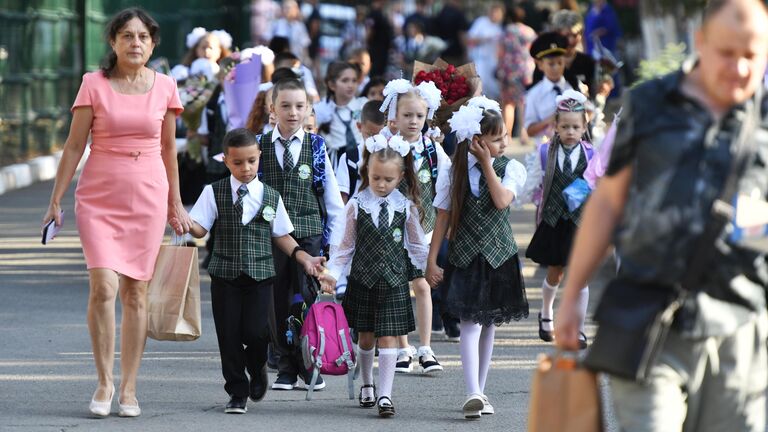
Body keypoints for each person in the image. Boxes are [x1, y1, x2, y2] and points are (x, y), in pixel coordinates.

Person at [555, 1, 768, 431]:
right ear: (700, 42)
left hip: (740, 326)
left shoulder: (763, 116)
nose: (740, 68)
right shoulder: (650, 105)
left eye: (752, 55)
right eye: (727, 53)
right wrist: (571, 293)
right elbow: (608, 202)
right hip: (648, 319)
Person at [41, 8, 191, 418]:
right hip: (99, 197)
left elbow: (168, 152)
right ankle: (104, 381)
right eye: (127, 36)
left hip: (147, 196)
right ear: (113, 42)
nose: (135, 43)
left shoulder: (165, 86)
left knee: (136, 293)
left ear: (153, 43)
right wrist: (55, 199)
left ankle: (129, 387)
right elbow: (74, 146)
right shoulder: (94, 84)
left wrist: (174, 204)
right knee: (104, 287)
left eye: (143, 37)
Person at [184, 128, 325, 414]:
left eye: (251, 161)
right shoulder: (214, 192)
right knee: (229, 336)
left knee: (257, 332)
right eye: (238, 163)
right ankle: (237, 391)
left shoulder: (270, 196)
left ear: (259, 156)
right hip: (225, 276)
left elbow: (282, 235)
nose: (245, 168)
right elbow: (200, 227)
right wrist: (181, 220)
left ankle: (257, 366)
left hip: (261, 276)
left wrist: (305, 258)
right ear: (226, 161)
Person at [426, 104, 528, 419]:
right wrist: (432, 260)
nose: (504, 144)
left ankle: (480, 391)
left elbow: (500, 201)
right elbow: (442, 216)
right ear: (476, 140)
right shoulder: (452, 169)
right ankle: (472, 392)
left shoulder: (510, 168)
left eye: (505, 137)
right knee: (470, 323)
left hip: (499, 255)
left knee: (488, 325)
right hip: (466, 255)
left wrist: (487, 164)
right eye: (496, 139)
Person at [320, 136, 429, 417]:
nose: (381, 184)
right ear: (367, 172)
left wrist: (430, 268)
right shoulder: (357, 205)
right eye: (376, 177)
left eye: (389, 179)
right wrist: (332, 273)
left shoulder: (405, 207)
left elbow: (416, 244)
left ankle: (385, 395)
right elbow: (344, 247)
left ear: (401, 176)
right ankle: (367, 383)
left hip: (393, 280)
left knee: (390, 338)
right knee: (366, 338)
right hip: (363, 280)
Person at [257, 78, 345, 392]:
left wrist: (334, 244)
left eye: (299, 106)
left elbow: (332, 199)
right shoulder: (258, 146)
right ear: (272, 110)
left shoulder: (317, 146)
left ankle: (310, 364)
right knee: (277, 300)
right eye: (285, 106)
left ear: (308, 109)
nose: (292, 113)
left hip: (309, 235)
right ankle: (284, 365)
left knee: (307, 300)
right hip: (271, 237)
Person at [378, 80, 450, 374]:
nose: (413, 121)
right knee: (398, 286)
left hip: (425, 226)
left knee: (422, 284)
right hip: (394, 228)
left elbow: (445, 184)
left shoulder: (432, 149)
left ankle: (426, 347)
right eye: (407, 115)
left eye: (419, 116)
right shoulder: (387, 147)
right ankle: (403, 348)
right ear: (394, 116)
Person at [522, 89, 593, 348]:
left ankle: (580, 328)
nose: (571, 131)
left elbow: (598, 183)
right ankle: (547, 311)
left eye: (576, 126)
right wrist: (529, 194)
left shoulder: (591, 155)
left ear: (584, 126)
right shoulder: (545, 153)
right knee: (555, 271)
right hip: (554, 220)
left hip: (580, 222)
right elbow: (534, 182)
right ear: (556, 126)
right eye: (565, 126)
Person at [496, 4, 537, 144]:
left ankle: (506, 135)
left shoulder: (506, 31)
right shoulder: (529, 32)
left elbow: (500, 52)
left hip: (508, 71)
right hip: (526, 70)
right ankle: (523, 134)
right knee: (524, 103)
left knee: (509, 104)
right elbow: (533, 51)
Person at [315, 61, 367, 167]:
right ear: (332, 85)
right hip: (335, 163)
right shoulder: (320, 109)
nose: (350, 85)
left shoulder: (363, 105)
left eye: (354, 80)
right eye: (345, 80)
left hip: (361, 160)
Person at [524, 32, 572, 145]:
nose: (556, 67)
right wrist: (550, 120)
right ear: (540, 65)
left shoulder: (572, 88)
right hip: (545, 150)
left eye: (560, 63)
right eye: (551, 64)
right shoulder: (534, 94)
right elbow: (529, 130)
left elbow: (589, 112)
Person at [336, 100, 388, 203]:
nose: (375, 140)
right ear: (359, 127)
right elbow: (342, 199)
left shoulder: (393, 157)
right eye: (370, 135)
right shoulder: (349, 159)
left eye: (381, 135)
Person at [466, 2, 506, 100]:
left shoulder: (500, 27)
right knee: (479, 88)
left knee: (494, 91)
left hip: (494, 62)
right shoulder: (481, 22)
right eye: (494, 12)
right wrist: (484, 39)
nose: (495, 15)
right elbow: (470, 40)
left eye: (498, 13)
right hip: (480, 60)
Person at [268, 0, 311, 66]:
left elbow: (305, 45)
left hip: (295, 62)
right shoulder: (276, 24)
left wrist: (306, 60)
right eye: (285, 8)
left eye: (289, 8)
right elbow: (268, 41)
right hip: (279, 62)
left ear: (296, 10)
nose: (287, 10)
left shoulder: (300, 27)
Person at [433, 0, 470, 65]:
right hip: (456, 55)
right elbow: (462, 35)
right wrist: (466, 53)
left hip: (442, 55)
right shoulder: (459, 14)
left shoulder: (440, 14)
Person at [366, 0, 394, 77]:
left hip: (382, 49)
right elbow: (369, 30)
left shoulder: (381, 13)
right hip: (377, 48)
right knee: (376, 71)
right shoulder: (373, 13)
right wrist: (367, 43)